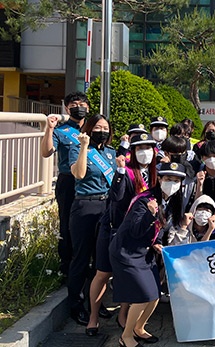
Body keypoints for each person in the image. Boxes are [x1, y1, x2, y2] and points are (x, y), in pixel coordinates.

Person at [86, 132, 157, 335]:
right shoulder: (126, 171)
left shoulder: (154, 175)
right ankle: (93, 317)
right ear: (132, 152)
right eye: (140, 148)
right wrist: (119, 171)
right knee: (103, 273)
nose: (145, 153)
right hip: (113, 229)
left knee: (129, 274)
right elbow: (116, 196)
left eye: (148, 148)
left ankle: (123, 314)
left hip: (136, 233)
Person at [110, 162, 186, 347]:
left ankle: (139, 328)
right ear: (159, 179)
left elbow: (160, 229)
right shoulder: (145, 200)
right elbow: (135, 230)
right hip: (127, 252)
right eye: (168, 179)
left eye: (176, 180)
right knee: (143, 295)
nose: (172, 183)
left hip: (145, 253)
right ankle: (126, 335)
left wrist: (157, 243)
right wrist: (150, 214)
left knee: (154, 295)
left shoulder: (169, 201)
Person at [67, 114, 116, 326]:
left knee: (100, 261)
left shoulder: (111, 153)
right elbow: (78, 174)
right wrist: (84, 148)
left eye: (105, 128)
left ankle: (95, 303)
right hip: (85, 206)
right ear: (88, 128)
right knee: (81, 257)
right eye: (97, 127)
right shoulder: (77, 148)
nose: (102, 131)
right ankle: (76, 305)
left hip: (106, 207)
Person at [39, 92, 88, 278]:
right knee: (67, 224)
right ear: (67, 108)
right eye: (74, 104)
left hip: (90, 182)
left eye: (83, 104)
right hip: (68, 182)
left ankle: (87, 262)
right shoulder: (61, 131)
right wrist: (49, 129)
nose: (79, 107)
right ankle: (67, 267)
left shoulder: (93, 129)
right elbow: (46, 152)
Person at [194, 140, 215, 214]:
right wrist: (199, 184)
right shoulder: (196, 173)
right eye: (208, 156)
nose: (212, 159)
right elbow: (196, 200)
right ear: (202, 158)